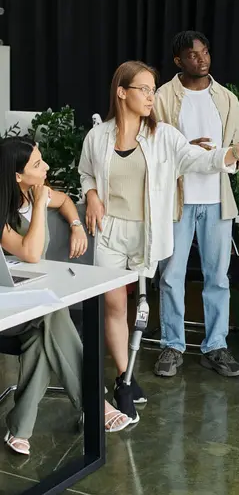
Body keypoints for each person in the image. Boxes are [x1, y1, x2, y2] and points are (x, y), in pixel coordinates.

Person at [78, 60, 239, 418]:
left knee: (144, 305)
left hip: (146, 231)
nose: (151, 96)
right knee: (116, 307)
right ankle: (124, 377)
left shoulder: (163, 135)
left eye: (153, 89)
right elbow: (86, 173)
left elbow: (199, 159)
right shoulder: (98, 135)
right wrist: (91, 196)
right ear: (122, 92)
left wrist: (235, 151)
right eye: (144, 89)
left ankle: (135, 368)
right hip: (109, 231)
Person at [0, 137, 132, 455]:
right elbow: (30, 253)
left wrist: (75, 224)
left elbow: (66, 202)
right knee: (52, 312)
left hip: (30, 303)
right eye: (36, 164)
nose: (45, 167)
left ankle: (20, 427)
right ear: (17, 176)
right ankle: (93, 403)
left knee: (43, 331)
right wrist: (40, 204)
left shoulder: (37, 193)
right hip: (7, 311)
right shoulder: (4, 210)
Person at [152, 31, 239, 378]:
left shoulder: (226, 98)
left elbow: (238, 148)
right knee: (171, 276)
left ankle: (215, 346)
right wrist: (184, 148)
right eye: (193, 55)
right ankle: (172, 345)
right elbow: (152, 149)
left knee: (218, 278)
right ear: (179, 61)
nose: (202, 59)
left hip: (217, 201)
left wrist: (238, 152)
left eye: (205, 52)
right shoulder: (162, 97)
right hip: (177, 202)